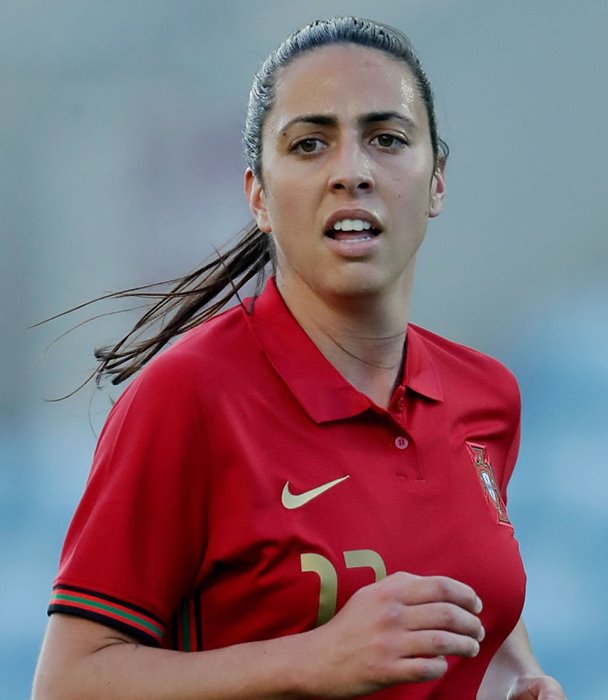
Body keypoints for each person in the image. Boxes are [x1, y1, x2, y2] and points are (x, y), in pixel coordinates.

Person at [32, 17, 566, 700]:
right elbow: (67, 685)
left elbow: (484, 618)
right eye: (310, 143)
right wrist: (313, 660)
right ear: (258, 195)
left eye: (387, 139)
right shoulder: (188, 395)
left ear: (437, 181)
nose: (351, 172)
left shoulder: (486, 395)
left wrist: (521, 680)